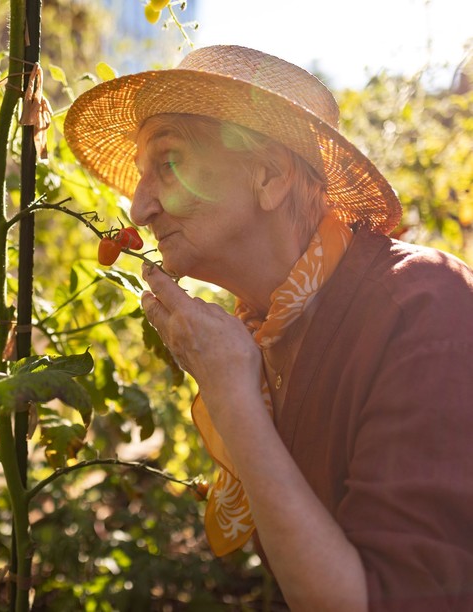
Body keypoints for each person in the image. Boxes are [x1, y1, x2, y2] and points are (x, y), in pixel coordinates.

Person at [64, 45, 473, 611]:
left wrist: (232, 394)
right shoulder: (267, 331)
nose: (137, 209)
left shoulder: (422, 306)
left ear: (271, 175)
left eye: (170, 161)